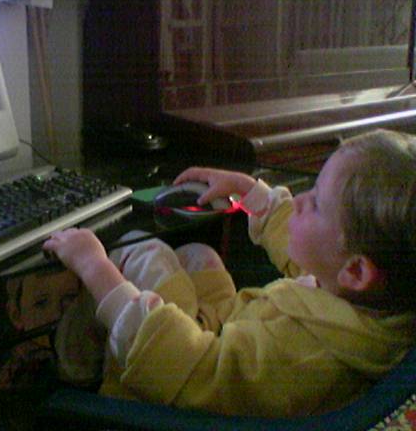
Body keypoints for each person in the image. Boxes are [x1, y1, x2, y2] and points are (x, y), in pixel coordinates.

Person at [42, 128, 416, 418]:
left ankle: (78, 363)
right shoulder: (361, 304)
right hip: (231, 331)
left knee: (144, 252)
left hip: (178, 370)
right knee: (197, 255)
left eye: (316, 203)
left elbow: (191, 371)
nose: (300, 199)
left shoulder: (300, 359)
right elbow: (303, 253)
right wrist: (248, 190)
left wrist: (94, 265)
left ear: (356, 270)